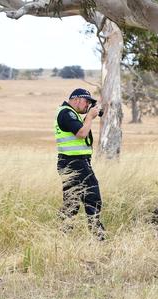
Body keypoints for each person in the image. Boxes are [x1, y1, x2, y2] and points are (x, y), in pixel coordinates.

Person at [55, 88, 105, 240]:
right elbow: (81, 133)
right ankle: (98, 237)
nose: (87, 105)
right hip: (75, 162)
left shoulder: (70, 114)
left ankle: (61, 236)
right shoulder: (67, 113)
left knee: (72, 202)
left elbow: (79, 130)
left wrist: (88, 116)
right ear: (76, 99)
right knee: (92, 196)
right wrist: (89, 116)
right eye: (86, 101)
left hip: (69, 162)